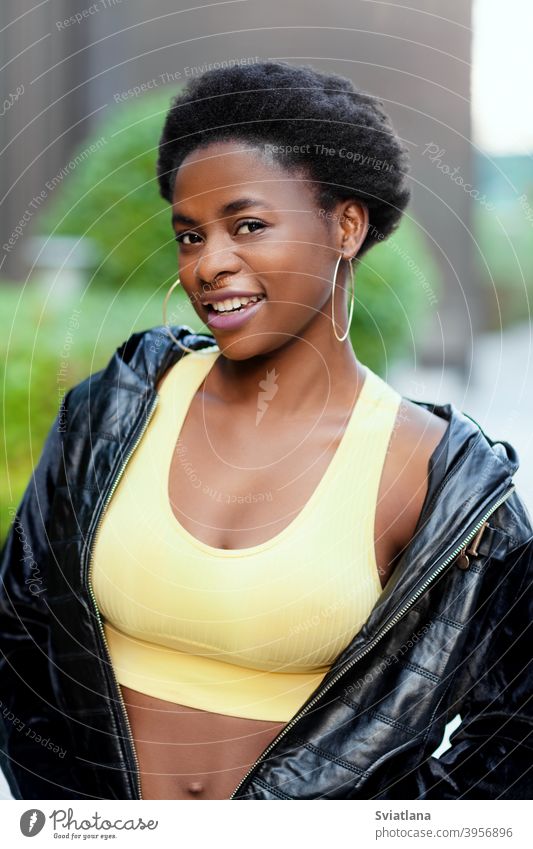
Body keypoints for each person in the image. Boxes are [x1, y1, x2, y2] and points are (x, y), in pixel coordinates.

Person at [1, 60, 532, 801]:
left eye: (247, 224)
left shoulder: (441, 480)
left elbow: (515, 725)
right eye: (190, 236)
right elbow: (20, 623)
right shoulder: (112, 412)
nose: (210, 263)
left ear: (345, 226)